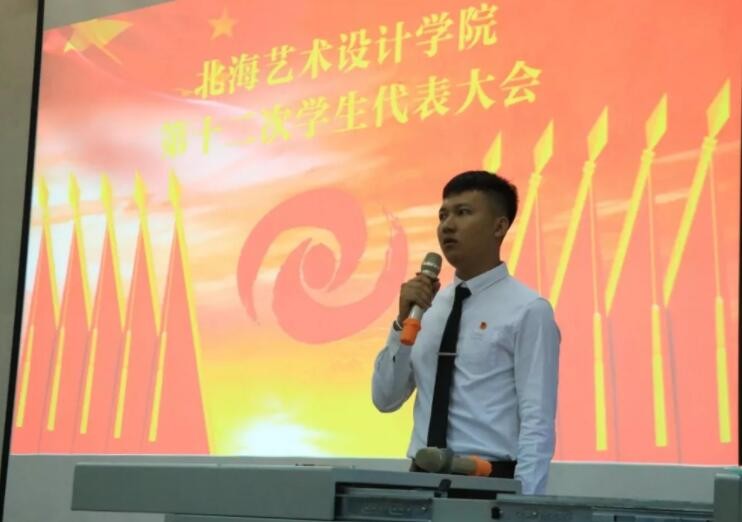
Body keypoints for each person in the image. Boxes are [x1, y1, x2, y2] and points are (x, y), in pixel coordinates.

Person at [372, 170, 560, 495]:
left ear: (498, 227)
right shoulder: (427, 306)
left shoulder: (529, 310)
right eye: (443, 215)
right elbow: (385, 398)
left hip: (486, 481)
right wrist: (402, 322)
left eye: (462, 213)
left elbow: (537, 420)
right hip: (420, 481)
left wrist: (525, 504)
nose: (448, 225)